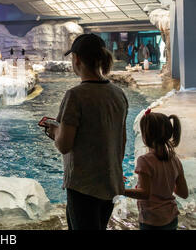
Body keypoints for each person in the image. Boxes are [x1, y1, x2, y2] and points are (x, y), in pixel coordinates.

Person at [45, 34, 128, 230]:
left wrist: (55, 131)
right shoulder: (118, 94)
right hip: (109, 182)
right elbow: (119, 140)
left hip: (83, 186)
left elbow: (64, 145)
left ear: (77, 59)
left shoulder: (75, 96)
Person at [123, 110, 188, 230]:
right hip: (171, 218)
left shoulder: (145, 160)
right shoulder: (175, 160)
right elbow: (184, 193)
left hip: (152, 220)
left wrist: (120, 190)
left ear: (146, 135)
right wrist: (165, 183)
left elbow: (144, 193)